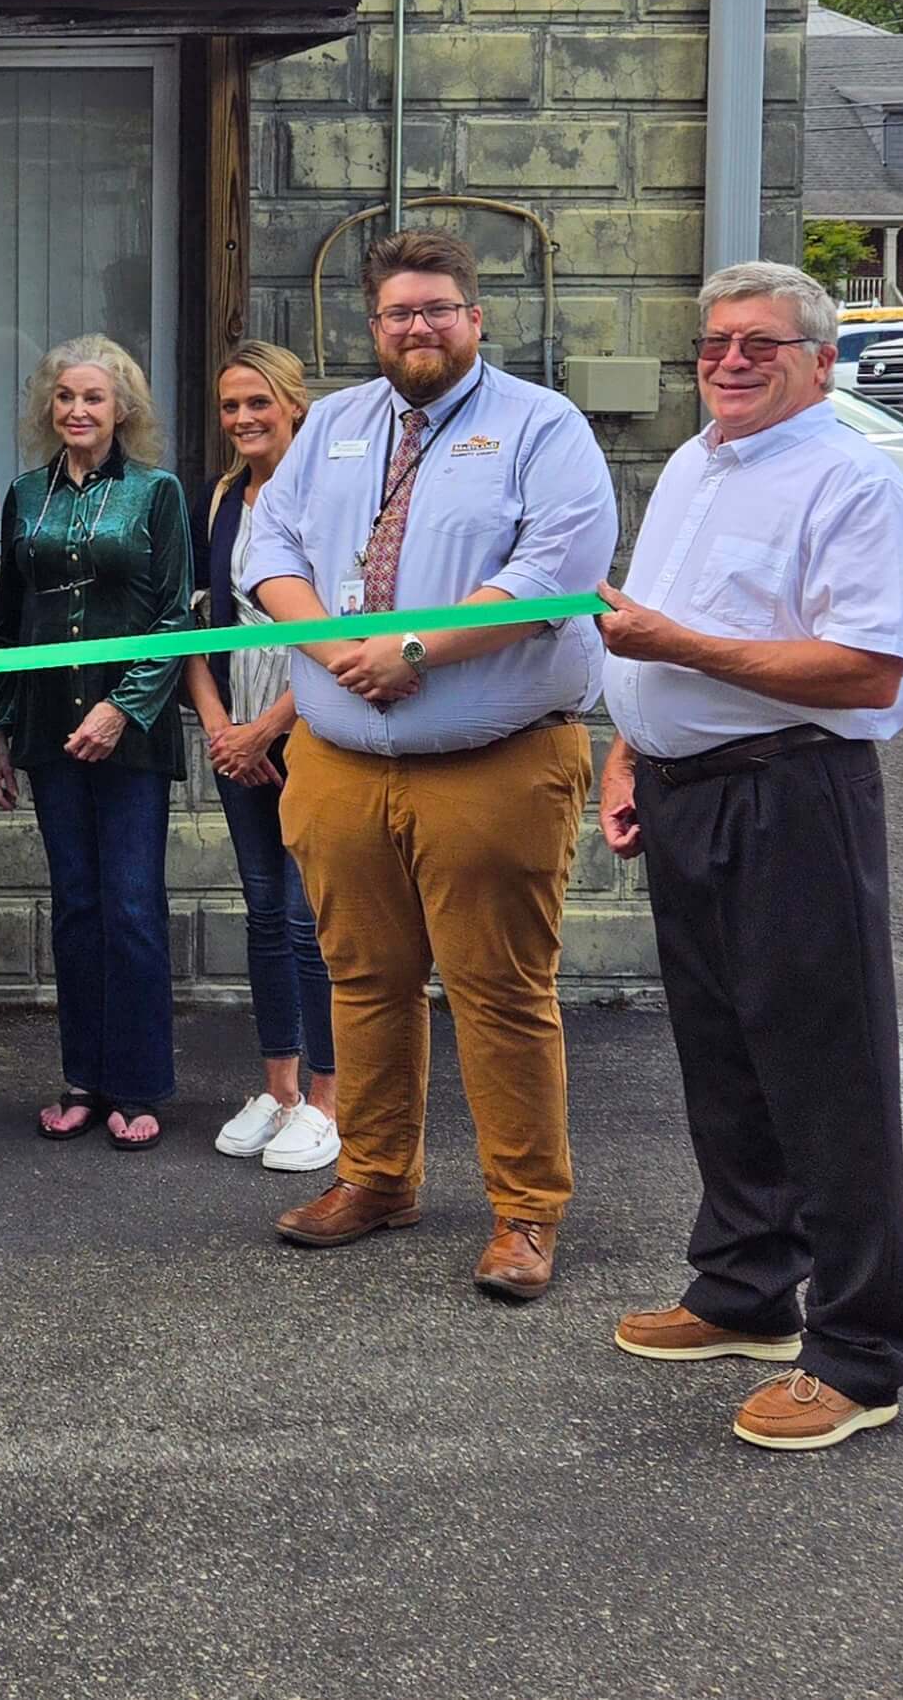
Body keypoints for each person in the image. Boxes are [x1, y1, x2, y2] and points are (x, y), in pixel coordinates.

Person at [597, 260, 903, 1451]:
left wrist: (673, 649)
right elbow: (643, 638)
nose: (730, 361)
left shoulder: (850, 481)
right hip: (686, 793)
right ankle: (746, 1290)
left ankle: (862, 1351)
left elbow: (866, 665)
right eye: (713, 343)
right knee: (724, 1057)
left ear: (819, 361)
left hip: (790, 794)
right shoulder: (695, 464)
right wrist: (626, 748)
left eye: (760, 343)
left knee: (826, 1076)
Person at [245, 228, 615, 1301]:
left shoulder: (540, 427)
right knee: (364, 982)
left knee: (499, 991)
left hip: (490, 760)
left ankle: (524, 1212)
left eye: (437, 308)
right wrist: (337, 651)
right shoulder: (334, 428)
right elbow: (268, 551)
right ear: (372, 326)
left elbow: (555, 567)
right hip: (341, 758)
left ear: (475, 316)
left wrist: (414, 646)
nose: (418, 327)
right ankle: (375, 1176)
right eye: (398, 312)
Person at [0, 337, 191, 1152]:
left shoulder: (157, 492)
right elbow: (6, 623)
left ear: (122, 410)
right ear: (49, 408)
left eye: (94, 398)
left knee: (132, 908)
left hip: (128, 736)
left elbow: (176, 617)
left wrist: (121, 710)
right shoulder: (26, 494)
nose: (77, 410)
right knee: (75, 908)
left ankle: (137, 1085)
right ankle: (82, 1077)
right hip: (46, 727)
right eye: (65, 397)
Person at [183, 342, 338, 1176]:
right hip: (235, 729)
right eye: (230, 406)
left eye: (258, 404)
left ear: (294, 406)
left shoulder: (324, 495)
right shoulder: (219, 499)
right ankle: (278, 1088)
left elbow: (335, 629)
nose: (243, 419)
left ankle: (327, 1099)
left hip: (307, 723)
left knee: (312, 920)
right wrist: (223, 731)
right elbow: (202, 628)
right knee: (264, 915)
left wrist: (270, 728)